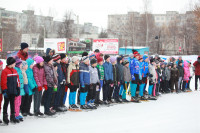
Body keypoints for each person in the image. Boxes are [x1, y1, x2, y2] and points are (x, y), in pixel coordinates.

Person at [1, 57, 20, 124]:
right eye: (14, 63)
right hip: (8, 91)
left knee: (13, 104)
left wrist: (18, 88)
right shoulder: (5, 71)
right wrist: (5, 90)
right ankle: (5, 117)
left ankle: (12, 116)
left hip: (13, 91)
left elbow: (17, 80)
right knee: (6, 104)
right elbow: (3, 82)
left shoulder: (15, 71)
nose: (15, 64)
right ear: (11, 63)